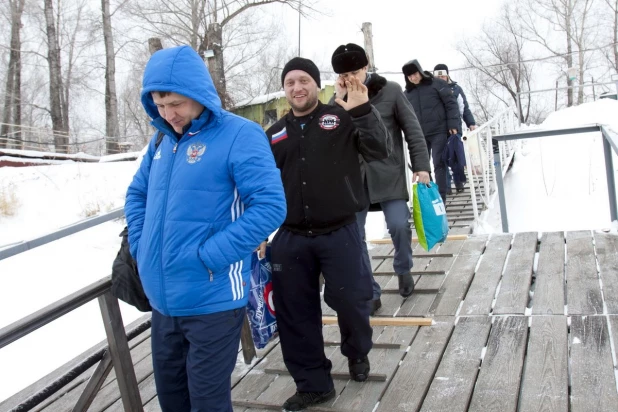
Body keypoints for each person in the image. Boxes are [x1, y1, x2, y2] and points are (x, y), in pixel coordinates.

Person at [124, 45, 286, 412]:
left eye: (176, 104)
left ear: (199, 93)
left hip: (212, 300)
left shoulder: (239, 134)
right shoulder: (162, 140)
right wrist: (141, 244)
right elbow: (136, 195)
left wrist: (210, 256)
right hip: (163, 304)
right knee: (172, 401)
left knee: (207, 403)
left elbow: (270, 206)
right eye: (160, 105)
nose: (169, 114)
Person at [263, 57, 390, 411]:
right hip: (290, 236)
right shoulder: (273, 134)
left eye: (304, 80)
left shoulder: (342, 118)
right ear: (284, 89)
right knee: (294, 312)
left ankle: (357, 353)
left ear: (317, 85)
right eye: (290, 82)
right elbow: (258, 185)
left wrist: (363, 110)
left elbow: (381, 151)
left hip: (340, 230)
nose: (297, 88)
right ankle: (313, 383)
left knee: (353, 301)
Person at [330, 43, 431, 314]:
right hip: (354, 180)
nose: (349, 78)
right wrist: (340, 104)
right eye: (342, 74)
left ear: (365, 67)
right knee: (354, 236)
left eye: (353, 71)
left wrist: (422, 167)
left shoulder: (392, 91)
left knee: (399, 225)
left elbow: (413, 131)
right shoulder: (335, 102)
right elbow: (329, 140)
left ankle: (403, 268)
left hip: (389, 173)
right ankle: (370, 290)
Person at [402, 59, 460, 202]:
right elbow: (403, 115)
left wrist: (453, 125)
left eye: (414, 74)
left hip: (439, 131)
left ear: (420, 71)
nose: (413, 78)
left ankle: (441, 198)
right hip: (419, 136)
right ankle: (430, 197)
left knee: (439, 164)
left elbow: (451, 104)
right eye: (409, 76)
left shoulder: (437, 84)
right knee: (423, 168)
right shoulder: (407, 93)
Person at [434, 63, 477, 193]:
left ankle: (459, 181)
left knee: (456, 156)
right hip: (438, 129)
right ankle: (446, 187)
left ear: (447, 76)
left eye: (443, 76)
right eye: (438, 77)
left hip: (455, 129)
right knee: (442, 159)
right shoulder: (431, 91)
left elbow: (464, 108)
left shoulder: (456, 89)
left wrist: (471, 123)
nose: (441, 79)